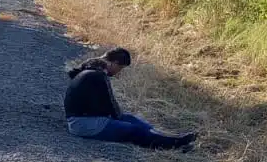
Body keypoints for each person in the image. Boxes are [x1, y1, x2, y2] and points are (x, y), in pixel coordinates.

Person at [64, 48, 198, 150]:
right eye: (120, 68)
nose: (119, 72)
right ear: (114, 63)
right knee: (133, 130)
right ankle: (172, 145)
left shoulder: (90, 71)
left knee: (131, 119)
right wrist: (120, 118)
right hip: (82, 124)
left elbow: (104, 106)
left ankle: (167, 138)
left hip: (85, 119)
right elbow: (110, 105)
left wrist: (121, 117)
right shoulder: (98, 76)